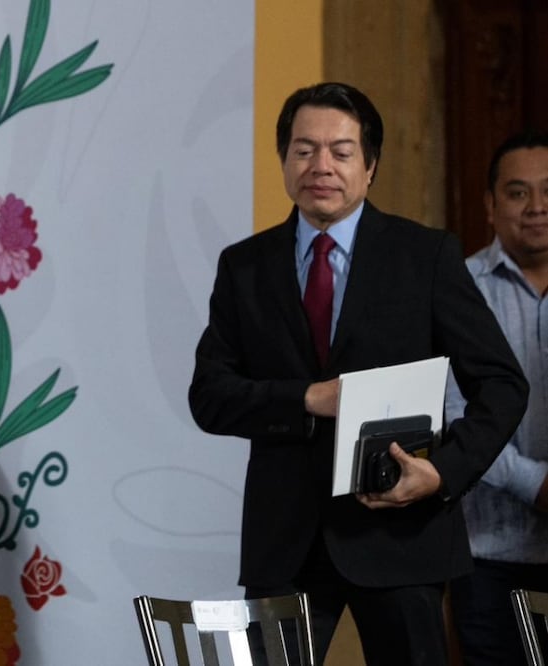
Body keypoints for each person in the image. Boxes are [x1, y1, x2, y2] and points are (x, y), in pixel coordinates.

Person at [188, 82, 528, 665]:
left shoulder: (426, 257)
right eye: (303, 150)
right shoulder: (244, 266)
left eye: (340, 152)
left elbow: (502, 384)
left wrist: (441, 474)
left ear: (369, 167)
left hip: (403, 534)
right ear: (284, 160)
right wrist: (307, 398)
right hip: (284, 543)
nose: (321, 166)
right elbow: (210, 397)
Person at [445, 130, 548, 666]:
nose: (537, 207)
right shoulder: (460, 286)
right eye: (518, 192)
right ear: (489, 205)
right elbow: (452, 415)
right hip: (490, 555)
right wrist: (535, 484)